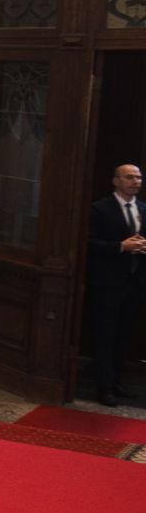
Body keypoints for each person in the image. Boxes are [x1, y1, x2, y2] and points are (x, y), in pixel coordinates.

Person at [85, 163, 146, 406]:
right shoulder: (100, 209)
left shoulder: (143, 209)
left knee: (124, 336)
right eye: (130, 177)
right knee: (106, 336)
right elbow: (89, 244)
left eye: (139, 177)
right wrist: (121, 246)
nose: (136, 181)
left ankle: (118, 383)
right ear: (116, 181)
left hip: (135, 283)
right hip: (108, 284)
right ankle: (104, 387)